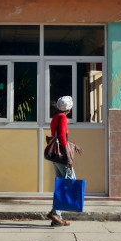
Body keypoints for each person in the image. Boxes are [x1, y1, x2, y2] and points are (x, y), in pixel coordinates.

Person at [47, 95, 75, 227]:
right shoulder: (63, 118)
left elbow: (58, 136)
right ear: (69, 108)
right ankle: (55, 212)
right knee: (69, 181)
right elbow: (62, 137)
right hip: (62, 156)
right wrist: (69, 157)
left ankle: (57, 216)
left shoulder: (56, 117)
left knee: (60, 183)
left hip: (55, 155)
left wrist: (74, 145)